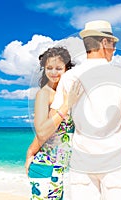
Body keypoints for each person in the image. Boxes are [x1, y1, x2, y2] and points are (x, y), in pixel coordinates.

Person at [51, 20, 121, 200]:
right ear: (104, 43)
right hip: (116, 164)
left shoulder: (69, 77)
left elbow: (53, 120)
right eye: (113, 43)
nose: (114, 48)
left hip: (81, 163)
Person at [25, 47, 82, 200]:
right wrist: (66, 106)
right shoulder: (44, 94)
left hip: (60, 168)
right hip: (45, 166)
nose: (53, 72)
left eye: (59, 68)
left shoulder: (68, 93)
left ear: (67, 69)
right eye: (49, 68)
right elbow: (42, 132)